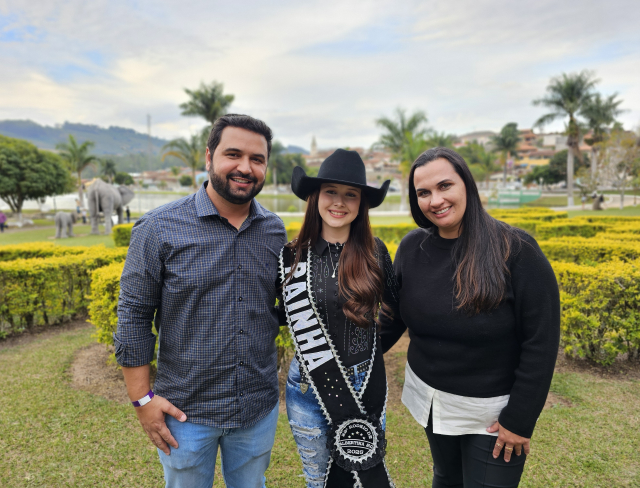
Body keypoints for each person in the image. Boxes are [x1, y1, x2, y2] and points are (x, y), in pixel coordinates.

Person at [115, 114, 286, 488]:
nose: (245, 168)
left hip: (257, 407)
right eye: (233, 154)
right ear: (209, 157)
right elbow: (133, 315)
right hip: (185, 413)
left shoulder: (274, 230)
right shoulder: (158, 228)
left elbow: (281, 306)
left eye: (257, 159)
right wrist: (142, 400)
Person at [380, 147, 560, 488]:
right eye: (423, 193)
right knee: (446, 478)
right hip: (431, 401)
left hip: (491, 414)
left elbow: (542, 340)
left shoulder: (516, 249)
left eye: (445, 186)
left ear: (467, 184)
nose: (435, 200)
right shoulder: (412, 247)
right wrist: (350, 357)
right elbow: (392, 318)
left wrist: (519, 419)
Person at [279, 149, 397, 487]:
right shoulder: (291, 256)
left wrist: (372, 350)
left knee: (363, 478)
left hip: (366, 383)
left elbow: (397, 309)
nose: (339, 202)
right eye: (330, 191)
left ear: (361, 204)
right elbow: (282, 315)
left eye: (351, 194)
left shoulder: (376, 253)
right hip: (308, 384)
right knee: (319, 480)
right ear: (316, 196)